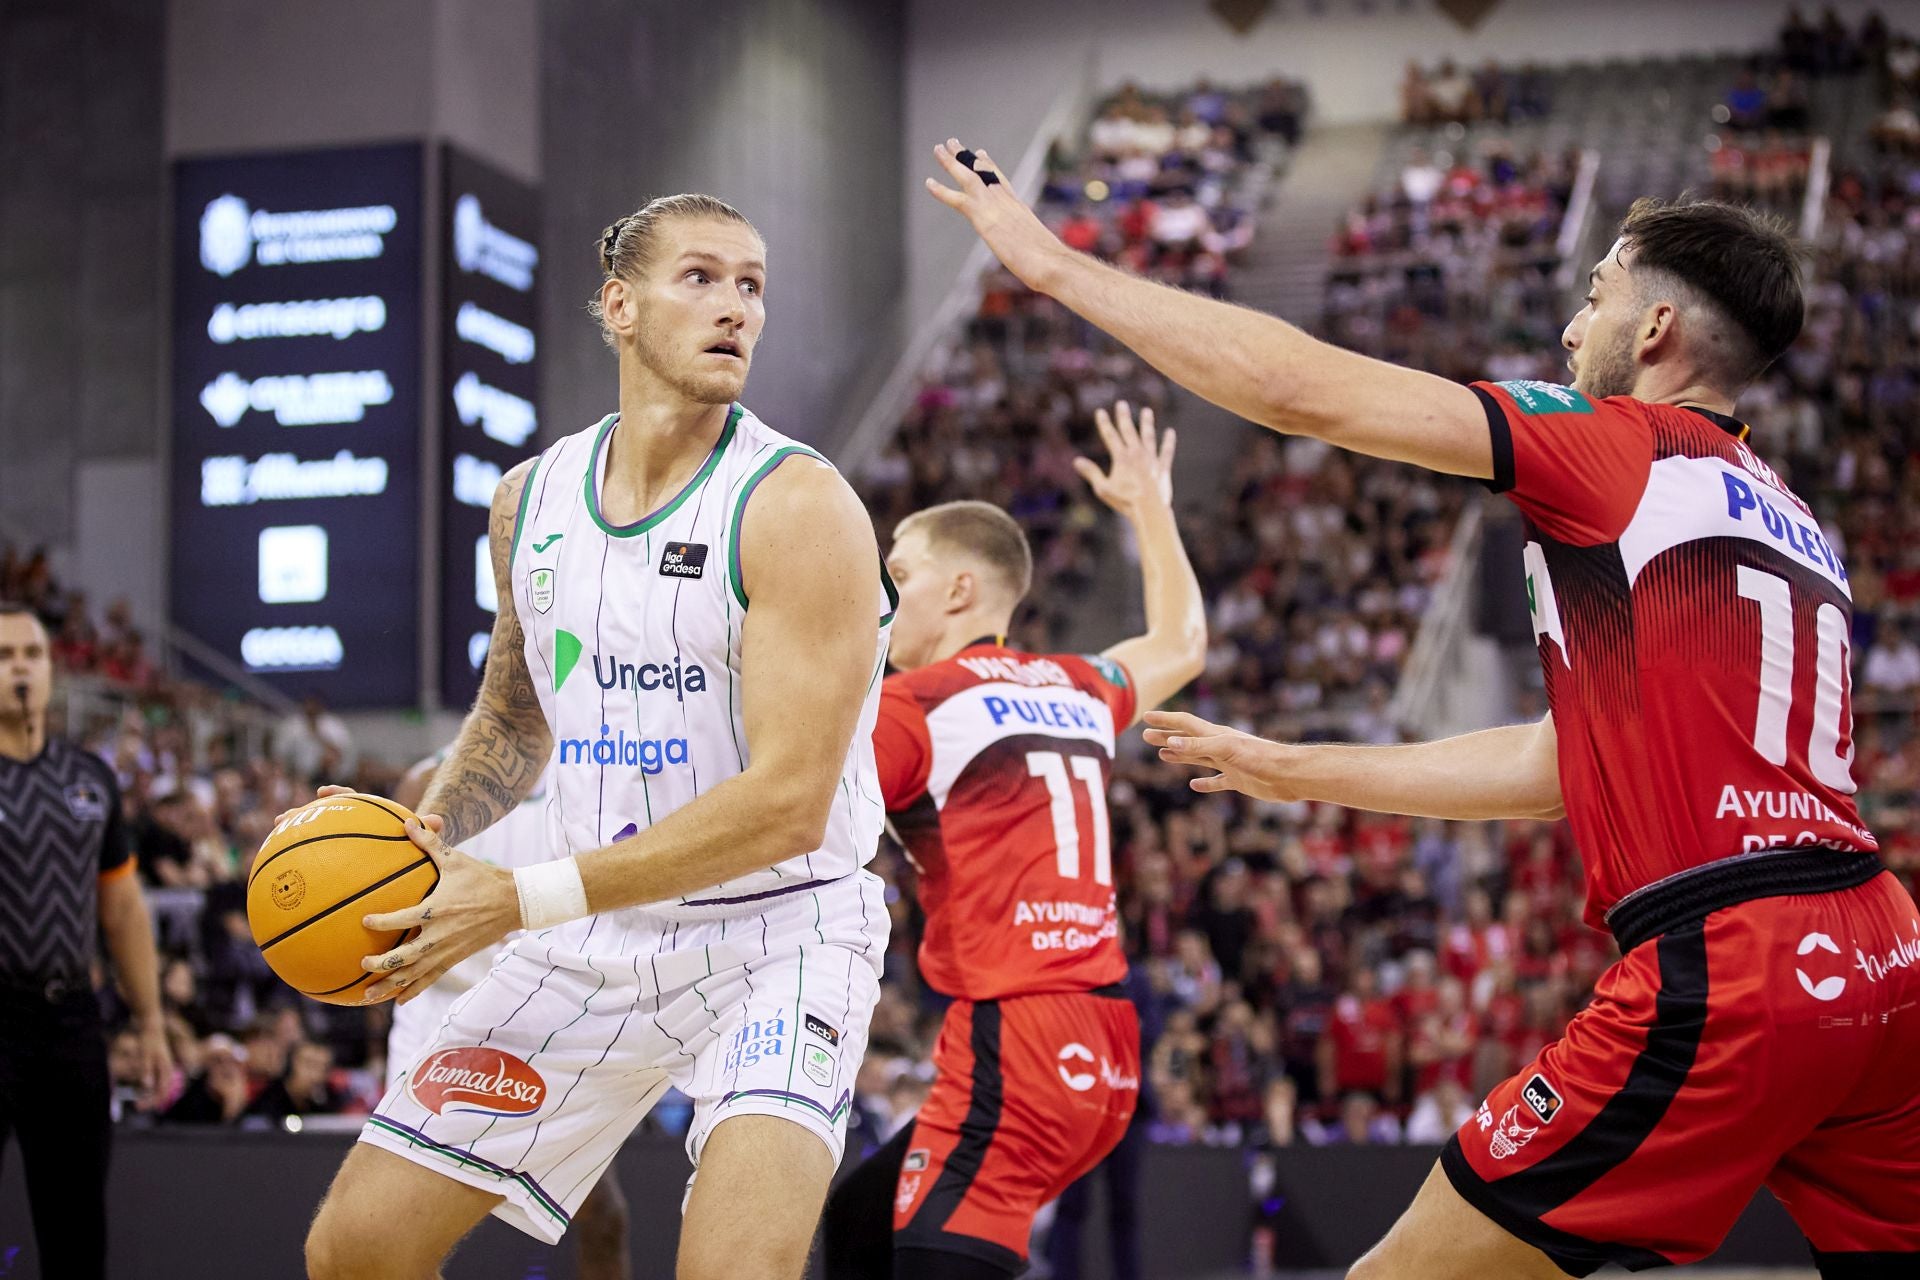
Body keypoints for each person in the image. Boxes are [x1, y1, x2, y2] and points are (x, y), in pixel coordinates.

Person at [928, 144, 1920, 1275]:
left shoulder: (1614, 449)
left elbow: (1298, 388)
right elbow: (1557, 767)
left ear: (1652, 330)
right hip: (1882, 949)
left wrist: (1055, 266)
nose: (1568, 329)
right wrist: (1297, 766)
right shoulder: (1791, 516)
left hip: (1733, 955)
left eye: (1594, 294)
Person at [302, 193, 895, 1280]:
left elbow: (788, 803)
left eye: (753, 284)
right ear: (618, 306)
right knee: (356, 1247)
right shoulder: (530, 499)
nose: (736, 309)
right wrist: (417, 836)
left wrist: (517, 896)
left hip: (785, 932)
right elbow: (515, 718)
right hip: (597, 939)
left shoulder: (800, 506)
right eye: (702, 278)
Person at [821, 401, 1206, 1278]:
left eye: (900, 575)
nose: (883, 595)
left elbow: (790, 819)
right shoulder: (1075, 684)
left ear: (959, 590)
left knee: (925, 1258)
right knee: (857, 1223)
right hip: (1106, 1045)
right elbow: (1182, 642)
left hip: (1017, 1038)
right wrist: (1151, 504)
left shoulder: (913, 705)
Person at [381, 752, 632, 1280]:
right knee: (400, 1229)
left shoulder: (597, 770)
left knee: (605, 1217)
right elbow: (377, 893)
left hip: (543, 1008)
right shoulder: (427, 779)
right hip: (441, 1007)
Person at [0, 601, 172, 1279]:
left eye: (32, 654)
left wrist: (153, 1021)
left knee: (76, 1235)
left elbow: (124, 909)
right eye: (5, 655)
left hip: (71, 1022)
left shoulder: (89, 778)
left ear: (52, 670)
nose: (20, 667)